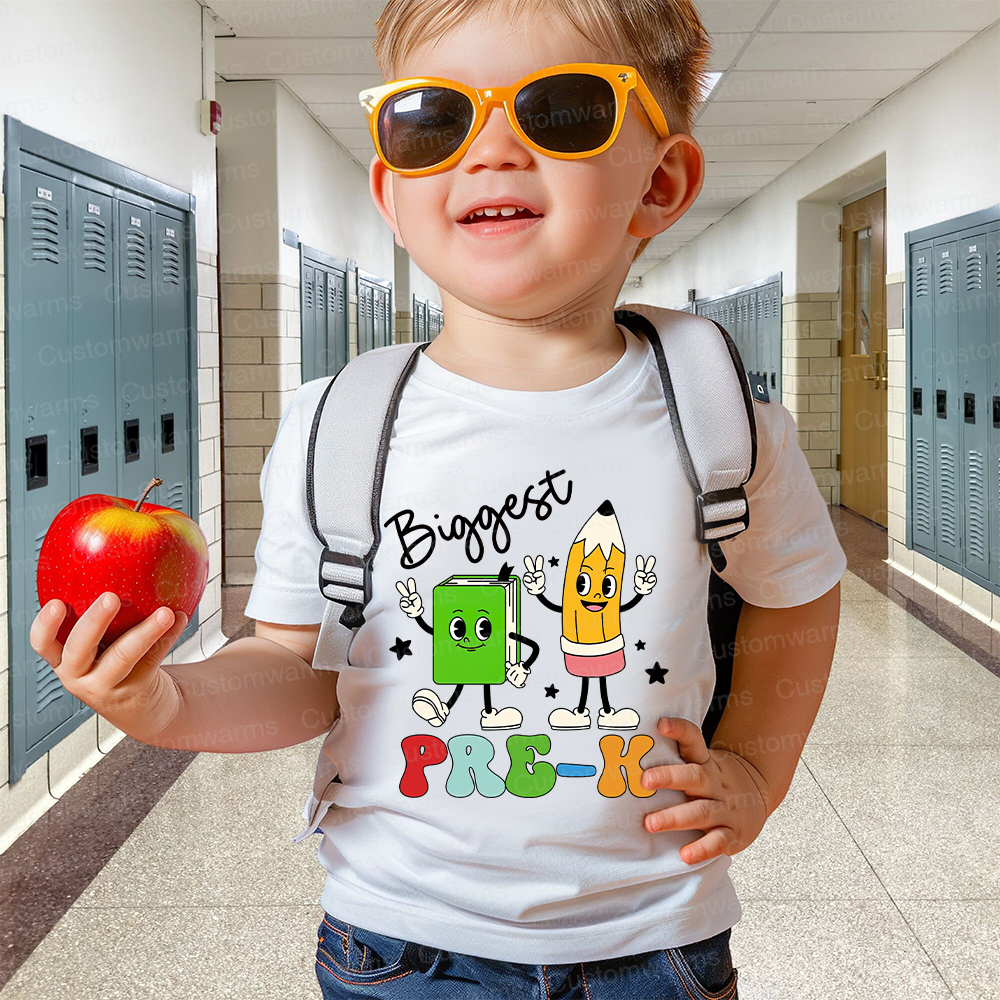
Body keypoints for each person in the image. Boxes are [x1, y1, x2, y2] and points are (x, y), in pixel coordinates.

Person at [30, 1, 847, 996]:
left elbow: (797, 591)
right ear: (391, 186)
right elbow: (296, 671)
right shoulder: (337, 426)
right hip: (398, 940)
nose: (492, 148)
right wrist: (165, 701)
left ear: (660, 182)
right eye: (434, 119)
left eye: (561, 110)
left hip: (655, 935)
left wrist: (758, 771)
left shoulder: (717, 412)